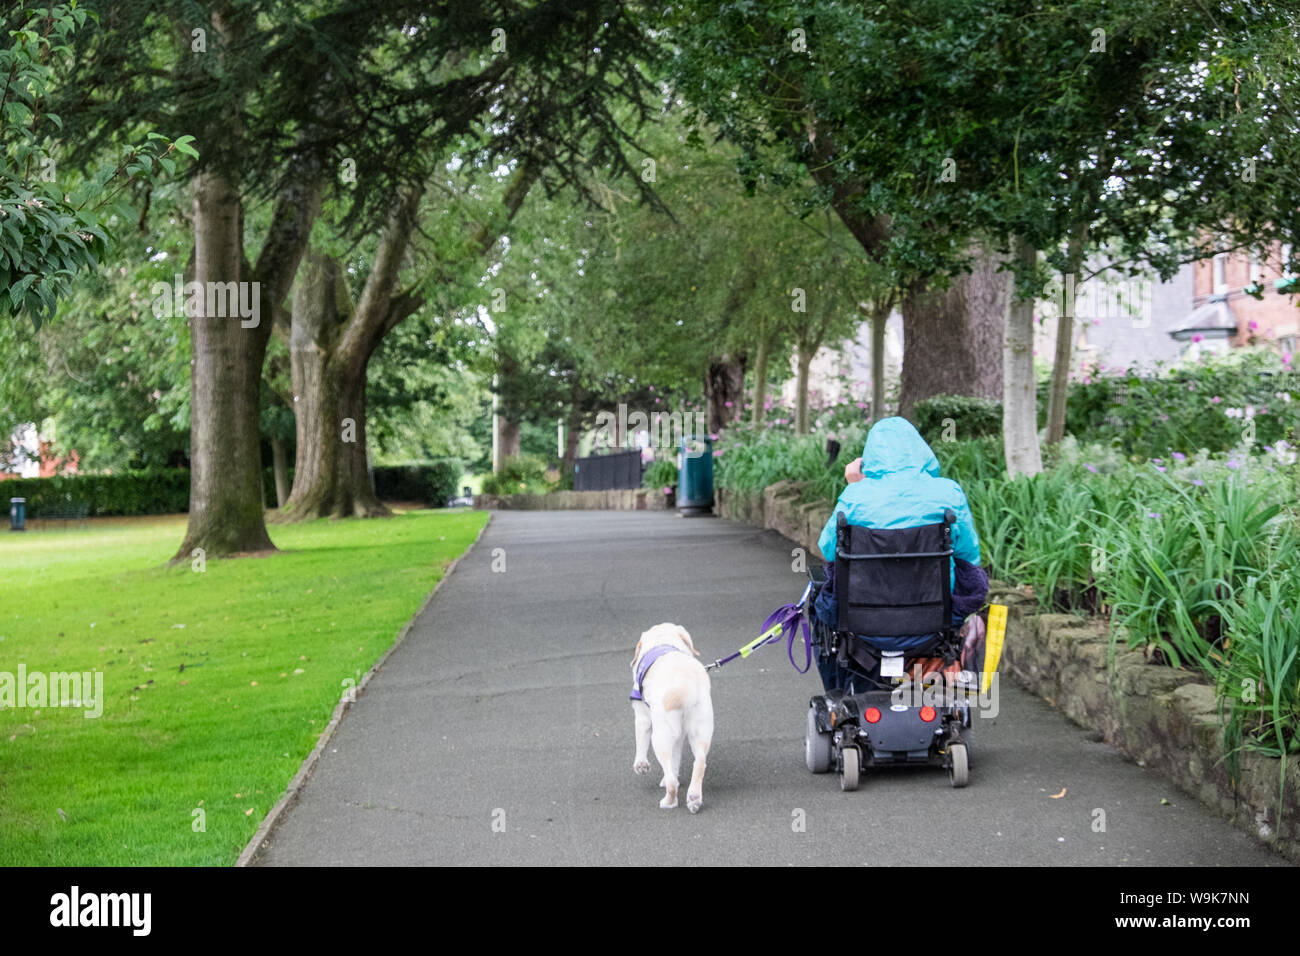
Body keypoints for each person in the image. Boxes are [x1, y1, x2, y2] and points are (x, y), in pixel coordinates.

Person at [811, 417, 988, 690]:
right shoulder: (948, 492)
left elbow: (828, 549)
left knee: (817, 605)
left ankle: (838, 692)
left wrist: (856, 485)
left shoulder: (855, 496)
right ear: (921, 451)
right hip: (934, 621)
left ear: (870, 457)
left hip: (863, 623)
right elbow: (970, 557)